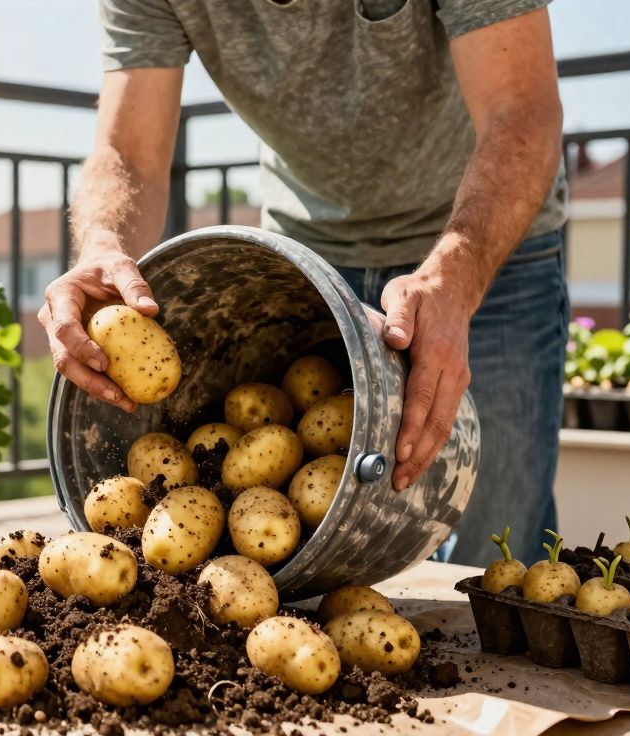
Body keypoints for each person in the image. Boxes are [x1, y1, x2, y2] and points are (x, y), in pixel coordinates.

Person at [38, 0, 568, 566]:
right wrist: (101, 243)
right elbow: (128, 152)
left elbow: (521, 110)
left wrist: (454, 281)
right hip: (310, 261)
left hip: (484, 245)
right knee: (332, 553)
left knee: (503, 542)